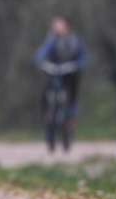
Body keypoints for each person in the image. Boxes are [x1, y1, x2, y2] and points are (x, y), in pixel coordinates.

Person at [32, 15, 87, 152]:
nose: (56, 28)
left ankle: (70, 122)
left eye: (59, 25)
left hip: (70, 75)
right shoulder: (52, 41)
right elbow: (41, 53)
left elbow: (83, 57)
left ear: (66, 26)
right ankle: (48, 127)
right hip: (55, 74)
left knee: (72, 99)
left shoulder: (75, 41)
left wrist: (77, 65)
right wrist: (41, 61)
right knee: (45, 97)